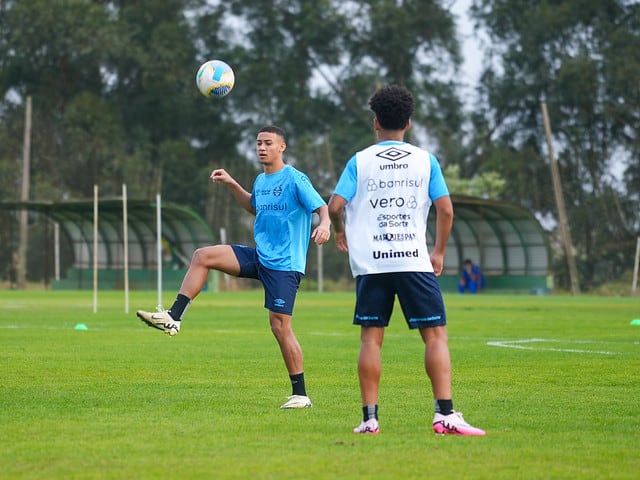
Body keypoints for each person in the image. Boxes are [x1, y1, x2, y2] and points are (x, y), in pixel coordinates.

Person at [137, 125, 331, 409]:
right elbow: (254, 207)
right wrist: (231, 184)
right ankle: (173, 317)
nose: (261, 148)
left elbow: (321, 207)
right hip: (259, 255)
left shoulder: (295, 179)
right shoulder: (261, 180)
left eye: (268, 143)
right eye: (258, 143)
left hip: (284, 265)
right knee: (203, 256)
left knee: (279, 327)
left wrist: (325, 224)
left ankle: (301, 395)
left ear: (282, 147)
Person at [328, 85, 485, 436]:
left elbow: (335, 206)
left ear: (375, 123)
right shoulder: (425, 160)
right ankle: (444, 414)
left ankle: (369, 420)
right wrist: (439, 252)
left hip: (372, 265)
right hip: (413, 260)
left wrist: (341, 232)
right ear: (409, 123)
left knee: (371, 339)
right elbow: (445, 209)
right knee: (435, 336)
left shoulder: (359, 160)